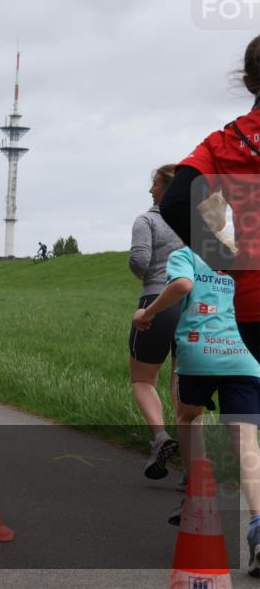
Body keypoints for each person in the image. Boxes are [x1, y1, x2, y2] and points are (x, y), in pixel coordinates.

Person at [159, 34, 260, 574]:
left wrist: (226, 250)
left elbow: (177, 200)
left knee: (248, 423)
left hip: (250, 301)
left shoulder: (225, 142)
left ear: (248, 82)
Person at [133, 245, 260, 574]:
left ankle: (197, 500)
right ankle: (259, 529)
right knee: (246, 439)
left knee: (189, 416)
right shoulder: (244, 252)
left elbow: (182, 286)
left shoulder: (185, 254)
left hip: (199, 352)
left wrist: (147, 314)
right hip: (244, 354)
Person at [128, 165, 184, 480]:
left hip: (156, 303)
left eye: (154, 184)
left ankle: (161, 437)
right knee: (184, 389)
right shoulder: (199, 221)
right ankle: (195, 466)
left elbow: (139, 260)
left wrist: (145, 277)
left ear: (166, 188)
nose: (150, 190)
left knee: (142, 380)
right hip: (194, 308)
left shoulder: (148, 220)